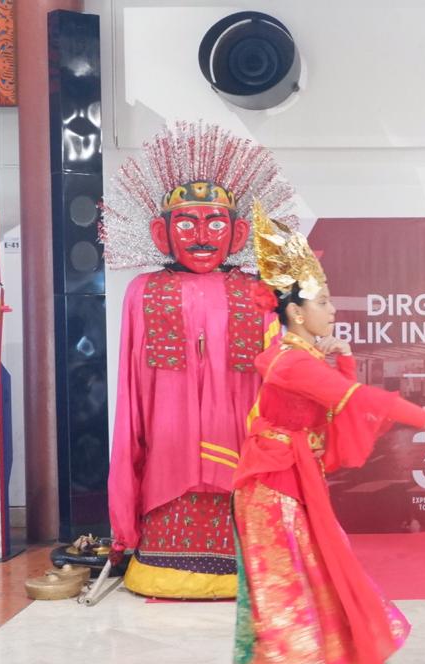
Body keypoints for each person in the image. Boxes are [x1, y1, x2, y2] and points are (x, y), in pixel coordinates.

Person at [225, 204, 425, 664]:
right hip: (272, 484)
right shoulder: (289, 361)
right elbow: (364, 402)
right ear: (296, 311)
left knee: (300, 583)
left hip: (291, 477)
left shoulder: (302, 355)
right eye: (324, 301)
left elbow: (336, 406)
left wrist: (339, 357)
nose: (333, 310)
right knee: (285, 586)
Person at [103, 122, 294, 599]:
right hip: (169, 441)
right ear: (162, 233)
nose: (202, 236)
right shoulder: (143, 290)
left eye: (216, 223)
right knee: (167, 469)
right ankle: (156, 556)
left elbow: (276, 381)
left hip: (239, 437)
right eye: (187, 224)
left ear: (239, 232)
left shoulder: (257, 291)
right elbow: (131, 392)